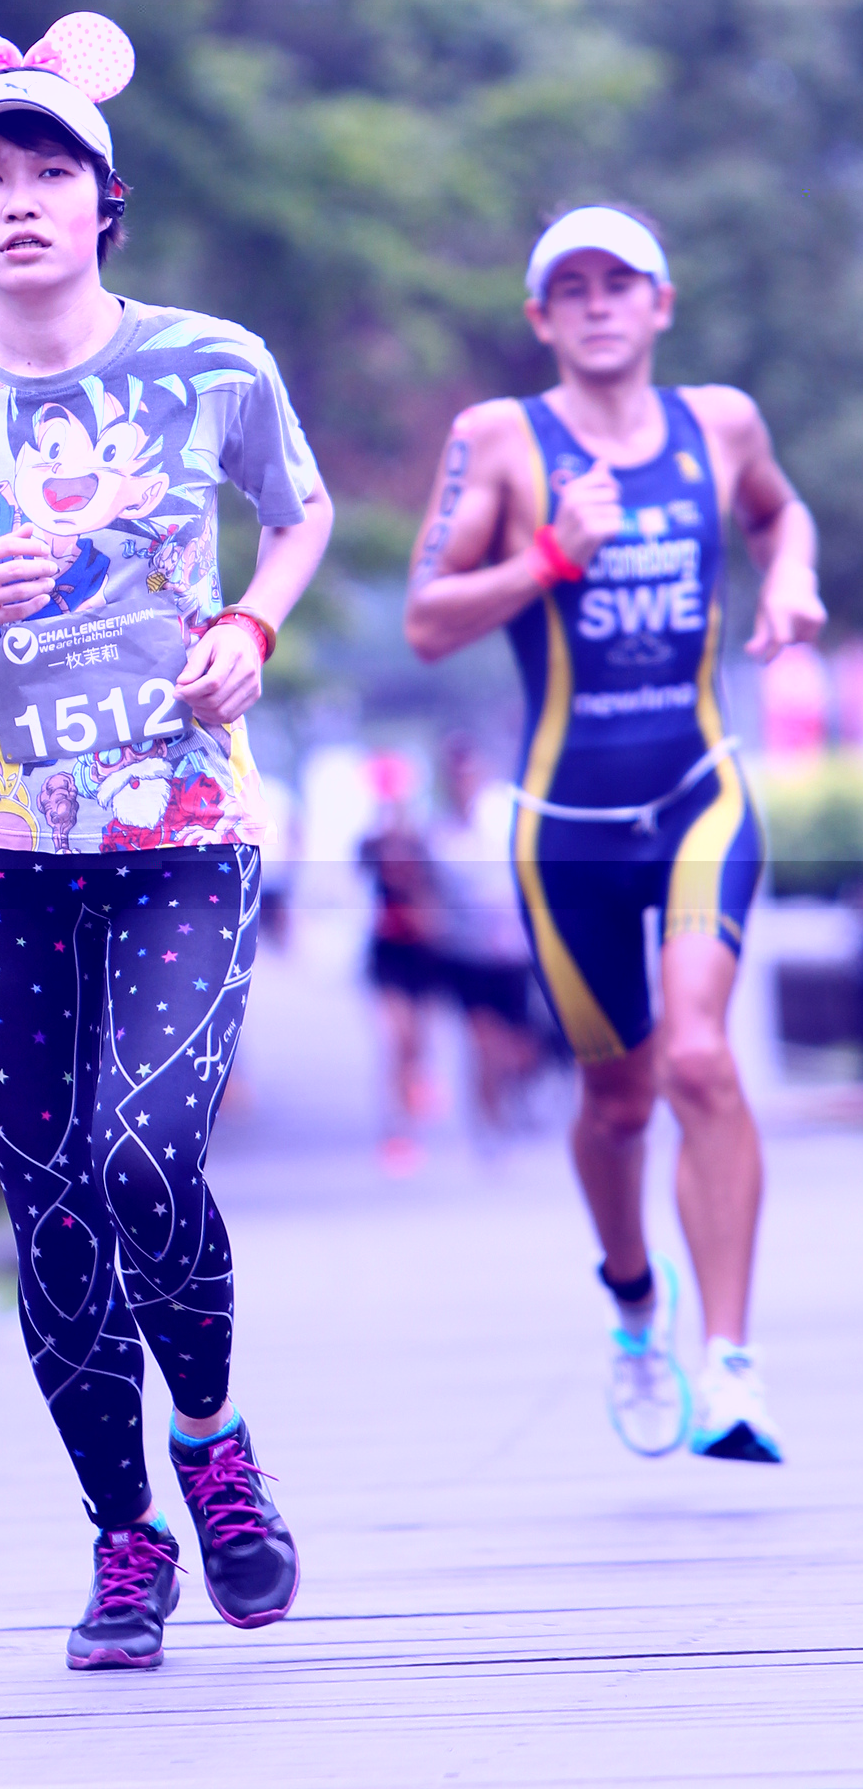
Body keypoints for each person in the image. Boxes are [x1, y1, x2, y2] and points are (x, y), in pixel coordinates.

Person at [0, 11, 333, 1670]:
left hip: (182, 824)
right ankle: (124, 1540)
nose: (20, 201)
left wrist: (251, 623)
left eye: (50, 171)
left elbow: (300, 509)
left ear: (105, 201)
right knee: (48, 1207)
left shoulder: (212, 363)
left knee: (144, 1156)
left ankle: (215, 1447)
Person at [403, 205, 826, 1463]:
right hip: (565, 825)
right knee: (619, 1097)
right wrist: (546, 555)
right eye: (571, 288)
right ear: (539, 316)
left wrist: (789, 575)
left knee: (697, 1056)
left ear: (659, 303)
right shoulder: (497, 440)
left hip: (699, 792)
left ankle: (729, 1367)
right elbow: (426, 620)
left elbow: (777, 513)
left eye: (618, 283)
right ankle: (635, 1301)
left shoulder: (719, 422)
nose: (597, 305)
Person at [427, 733, 543, 1139]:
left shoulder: (506, 815)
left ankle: (516, 1092)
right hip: (466, 952)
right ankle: (489, 1123)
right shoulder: (439, 831)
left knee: (518, 1044)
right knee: (481, 1039)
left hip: (513, 951)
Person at [358, 751, 447, 1174]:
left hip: (422, 953)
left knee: (417, 1043)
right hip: (387, 953)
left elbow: (435, 896)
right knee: (397, 1040)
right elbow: (362, 868)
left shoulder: (422, 844)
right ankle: (396, 1130)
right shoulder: (372, 844)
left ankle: (413, 1107)